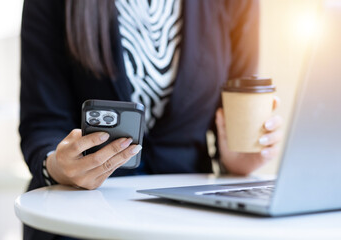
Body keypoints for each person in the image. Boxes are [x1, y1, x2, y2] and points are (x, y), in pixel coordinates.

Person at [19, 0, 283, 239]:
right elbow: (42, 124)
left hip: (191, 219)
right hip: (79, 216)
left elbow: (236, 104)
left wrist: (236, 160)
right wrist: (59, 167)